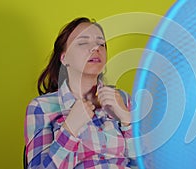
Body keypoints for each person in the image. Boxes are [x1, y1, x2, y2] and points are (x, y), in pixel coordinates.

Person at [24, 17, 136, 169]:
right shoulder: (41, 107)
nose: (95, 48)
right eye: (83, 42)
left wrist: (127, 120)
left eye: (101, 43)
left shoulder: (122, 99)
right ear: (64, 58)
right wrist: (70, 128)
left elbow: (150, 163)